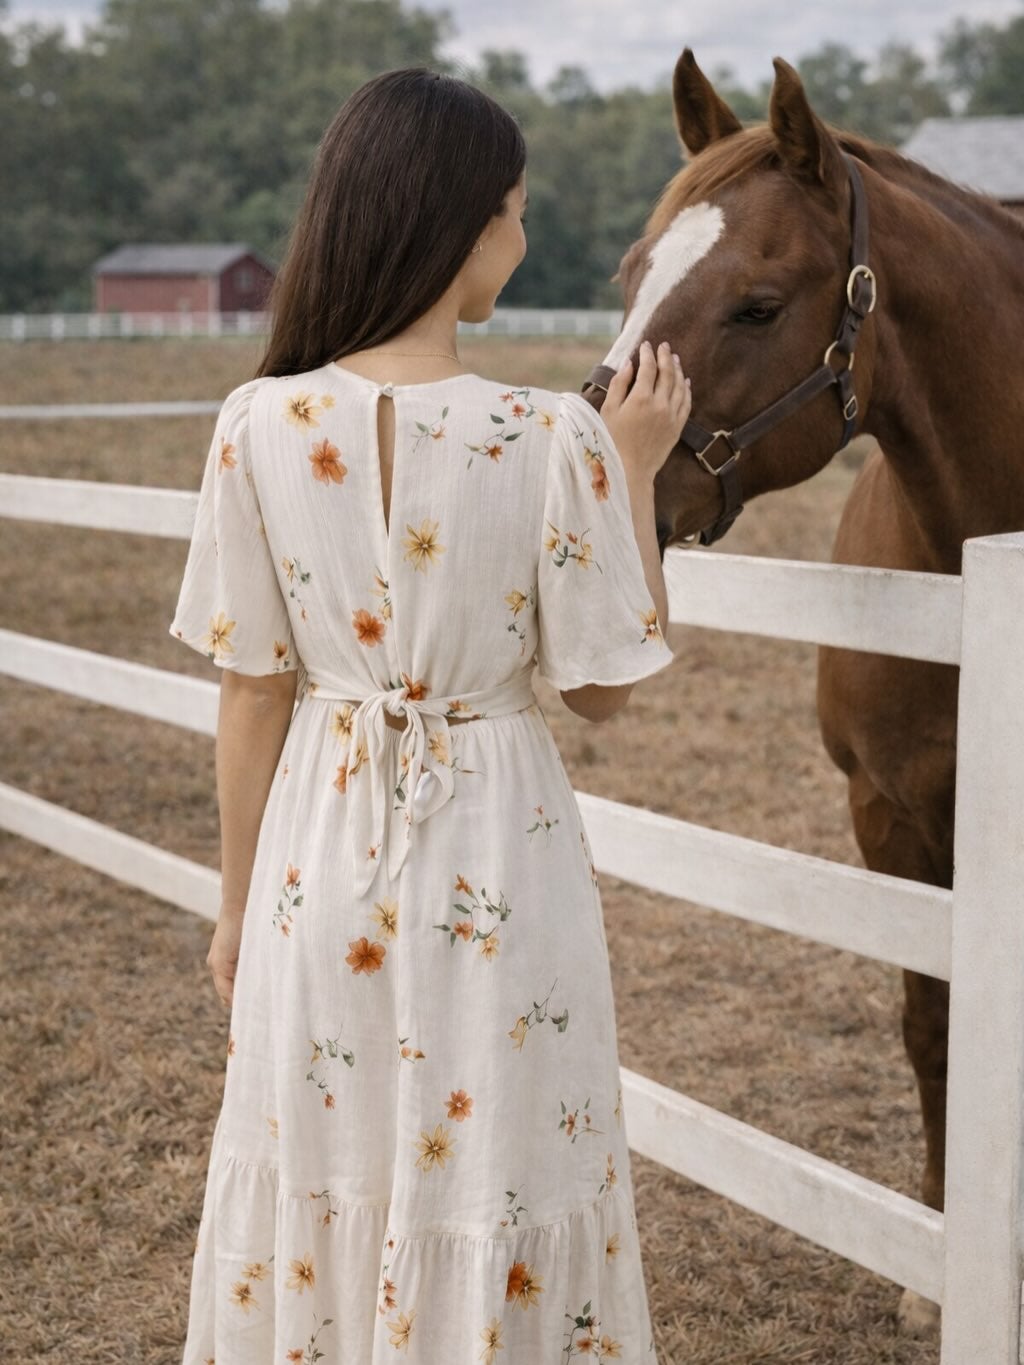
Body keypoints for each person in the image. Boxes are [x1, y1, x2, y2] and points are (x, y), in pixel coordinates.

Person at [168, 65, 691, 1365]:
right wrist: (631, 471)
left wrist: (238, 906)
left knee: (323, 1163)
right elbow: (610, 691)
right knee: (501, 1173)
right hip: (498, 862)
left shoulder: (256, 425)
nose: (517, 238)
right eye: (512, 210)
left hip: (316, 860)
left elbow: (251, 691)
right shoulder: (548, 437)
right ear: (462, 226)